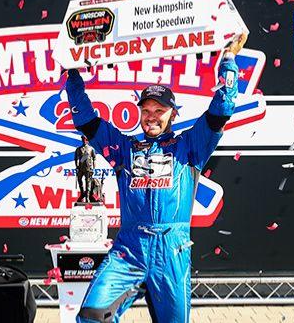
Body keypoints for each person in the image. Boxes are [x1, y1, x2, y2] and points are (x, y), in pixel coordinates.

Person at [65, 33, 248, 323]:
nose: (151, 116)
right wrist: (72, 73)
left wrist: (229, 60)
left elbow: (222, 107)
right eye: (146, 110)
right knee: (92, 316)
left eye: (159, 111)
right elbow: (85, 120)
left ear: (172, 114)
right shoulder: (123, 149)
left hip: (172, 251)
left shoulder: (191, 147)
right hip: (130, 249)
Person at [75, 135, 97, 202]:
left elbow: (94, 159)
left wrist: (93, 168)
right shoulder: (78, 149)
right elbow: (76, 159)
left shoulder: (91, 149)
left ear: (87, 140)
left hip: (88, 168)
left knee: (88, 182)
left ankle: (87, 197)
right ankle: (82, 194)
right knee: (79, 180)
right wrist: (77, 167)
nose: (84, 140)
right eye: (83, 139)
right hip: (80, 168)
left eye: (85, 139)